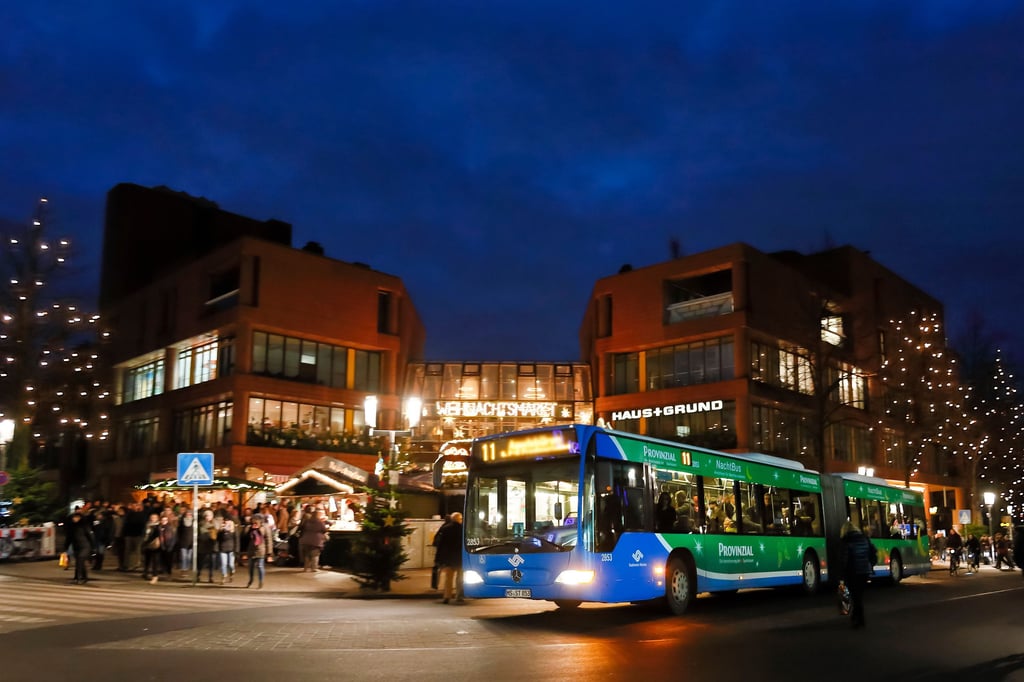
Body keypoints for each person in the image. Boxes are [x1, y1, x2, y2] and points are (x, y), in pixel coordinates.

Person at [839, 521, 875, 629]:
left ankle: (858, 619)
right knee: (858, 596)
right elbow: (873, 554)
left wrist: (842, 574)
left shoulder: (846, 541)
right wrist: (870, 566)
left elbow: (844, 559)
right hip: (864, 572)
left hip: (853, 572)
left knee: (856, 596)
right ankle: (858, 618)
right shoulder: (865, 538)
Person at [434, 511, 464, 604]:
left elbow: (441, 544)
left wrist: (438, 558)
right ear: (459, 519)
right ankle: (459, 596)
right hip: (460, 558)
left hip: (448, 558)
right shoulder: (463, 529)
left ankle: (447, 596)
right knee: (460, 578)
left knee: (448, 578)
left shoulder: (446, 529)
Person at [64, 510, 96, 585]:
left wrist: (93, 547)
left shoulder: (84, 526)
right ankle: (83, 577)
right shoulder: (71, 527)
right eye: (74, 517)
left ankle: (79, 577)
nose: (75, 519)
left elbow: (90, 536)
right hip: (76, 546)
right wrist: (66, 547)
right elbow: (69, 538)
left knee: (80, 559)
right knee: (79, 561)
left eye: (77, 517)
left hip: (85, 546)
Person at [298, 507, 328, 572]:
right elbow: (324, 530)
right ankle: (314, 568)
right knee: (315, 555)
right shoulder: (320, 522)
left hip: (305, 539)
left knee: (307, 555)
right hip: (315, 541)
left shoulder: (307, 521)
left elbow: (301, 528)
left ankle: (306, 568)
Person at [246, 515, 272, 588]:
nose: (254, 522)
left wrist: (269, 553)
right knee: (250, 567)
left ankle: (261, 581)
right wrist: (251, 529)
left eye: (256, 520)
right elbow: (245, 537)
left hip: (261, 549)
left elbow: (268, 540)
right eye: (253, 520)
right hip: (251, 550)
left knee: (260, 566)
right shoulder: (250, 527)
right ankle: (251, 580)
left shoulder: (265, 528)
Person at [141, 513, 163, 584]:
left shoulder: (158, 526)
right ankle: (145, 572)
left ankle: (155, 576)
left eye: (154, 517)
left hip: (154, 545)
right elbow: (144, 534)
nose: (153, 519)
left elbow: (157, 535)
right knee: (147, 560)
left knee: (155, 561)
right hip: (147, 545)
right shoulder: (147, 525)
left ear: (157, 518)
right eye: (152, 517)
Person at [217, 518, 238, 583]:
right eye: (225, 523)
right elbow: (218, 539)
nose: (226, 524)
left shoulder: (233, 531)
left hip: (231, 549)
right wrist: (220, 530)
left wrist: (236, 550)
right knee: (224, 564)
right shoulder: (222, 531)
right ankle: (224, 576)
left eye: (228, 523)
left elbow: (237, 541)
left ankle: (232, 573)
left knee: (231, 564)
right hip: (223, 549)